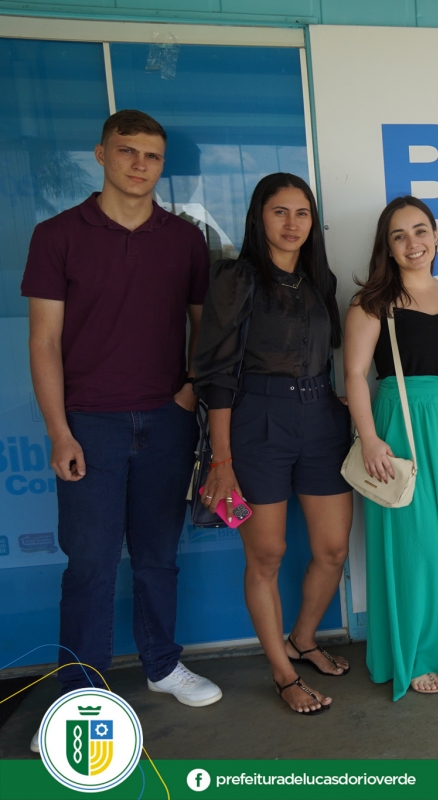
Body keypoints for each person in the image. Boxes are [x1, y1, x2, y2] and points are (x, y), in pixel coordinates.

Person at [22, 109, 223, 749]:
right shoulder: (56, 235)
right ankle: (80, 698)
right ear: (102, 154)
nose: (140, 164)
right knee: (90, 565)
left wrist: (187, 392)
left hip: (166, 421)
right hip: (90, 425)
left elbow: (204, 330)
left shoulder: (185, 240)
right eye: (128, 151)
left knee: (159, 558)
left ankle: (162, 665)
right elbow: (43, 341)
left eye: (152, 155)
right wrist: (59, 431)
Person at [193, 173, 352, 714]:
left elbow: (330, 353)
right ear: (259, 216)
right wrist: (222, 460)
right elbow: (217, 375)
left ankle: (302, 639)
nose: (291, 223)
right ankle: (284, 674)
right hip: (256, 422)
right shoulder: (236, 278)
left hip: (321, 419)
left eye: (302, 213)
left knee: (332, 549)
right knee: (267, 554)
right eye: (279, 211)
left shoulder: (319, 281)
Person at [343, 195, 438, 699]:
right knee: (419, 548)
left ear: (435, 236)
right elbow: (354, 374)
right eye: (399, 235)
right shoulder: (372, 303)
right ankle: (416, 655)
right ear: (386, 247)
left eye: (420, 231)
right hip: (403, 428)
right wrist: (370, 439)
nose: (413, 243)